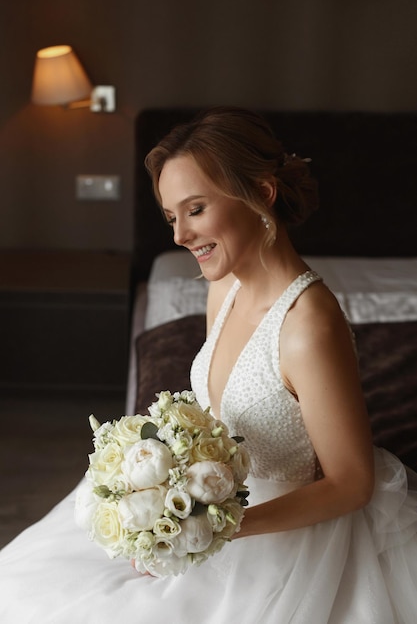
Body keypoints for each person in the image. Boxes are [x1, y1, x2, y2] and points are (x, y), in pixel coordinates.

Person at [0, 107, 416, 623]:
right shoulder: (224, 284)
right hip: (217, 502)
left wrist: (216, 527)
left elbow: (352, 484)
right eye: (172, 217)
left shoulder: (309, 327)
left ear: (261, 194)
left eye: (195, 209)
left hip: (281, 534)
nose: (179, 236)